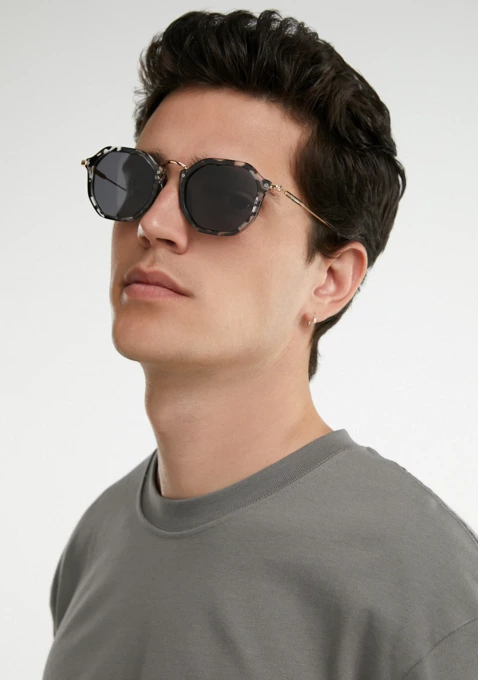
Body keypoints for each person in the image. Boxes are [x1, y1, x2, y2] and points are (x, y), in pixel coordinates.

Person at [42, 9, 478, 680]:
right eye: (136, 177)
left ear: (331, 280)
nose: (154, 222)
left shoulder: (425, 585)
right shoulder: (95, 543)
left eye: (223, 194)